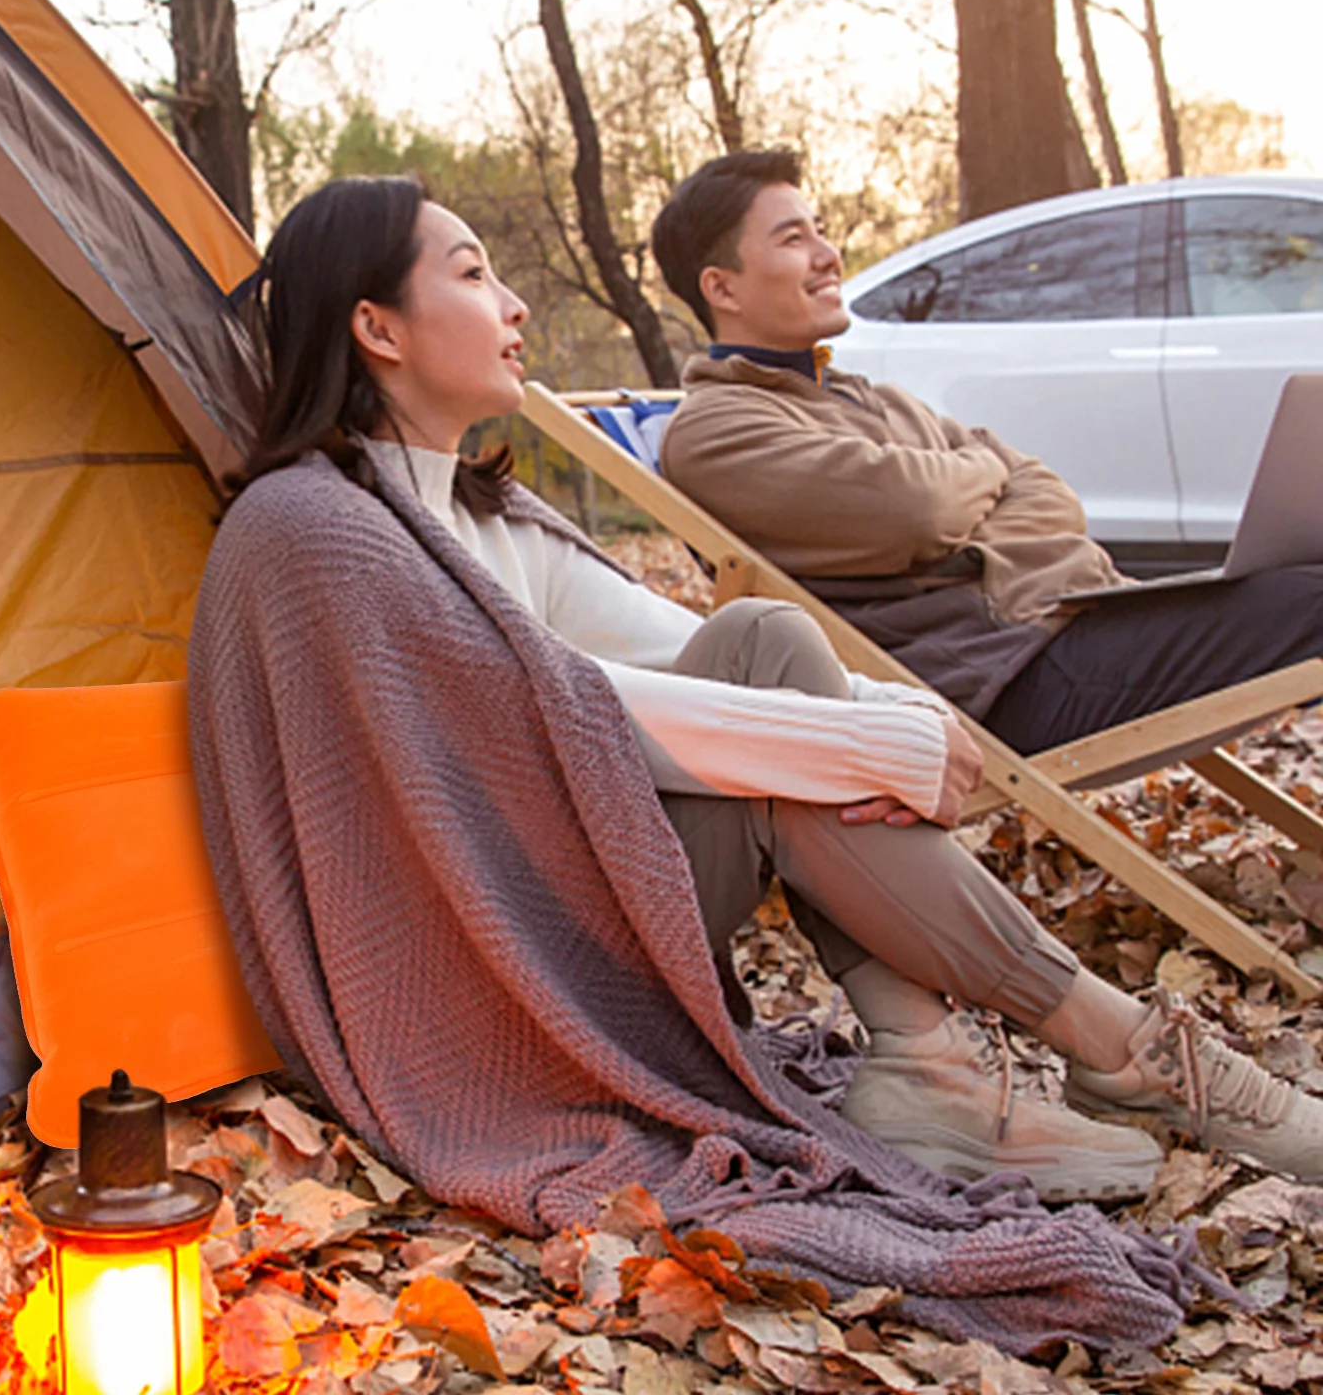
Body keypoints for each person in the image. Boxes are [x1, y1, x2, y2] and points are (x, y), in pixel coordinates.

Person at [188, 177, 1323, 1348]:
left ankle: (938, 1061)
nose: (517, 304)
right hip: (489, 965)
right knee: (787, 714)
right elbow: (565, 712)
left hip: (583, 884)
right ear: (377, 327)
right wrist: (858, 741)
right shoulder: (316, 528)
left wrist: (894, 712)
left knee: (767, 638)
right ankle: (1121, 1053)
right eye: (474, 273)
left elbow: (676, 654)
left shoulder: (479, 511)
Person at [651, 150, 1323, 753]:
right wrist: (983, 475)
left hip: (1090, 619)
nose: (828, 254)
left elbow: (1049, 492)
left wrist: (967, 502)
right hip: (1012, 675)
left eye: (820, 229)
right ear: (723, 287)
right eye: (794, 238)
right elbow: (915, 509)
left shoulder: (866, 395)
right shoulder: (719, 429)